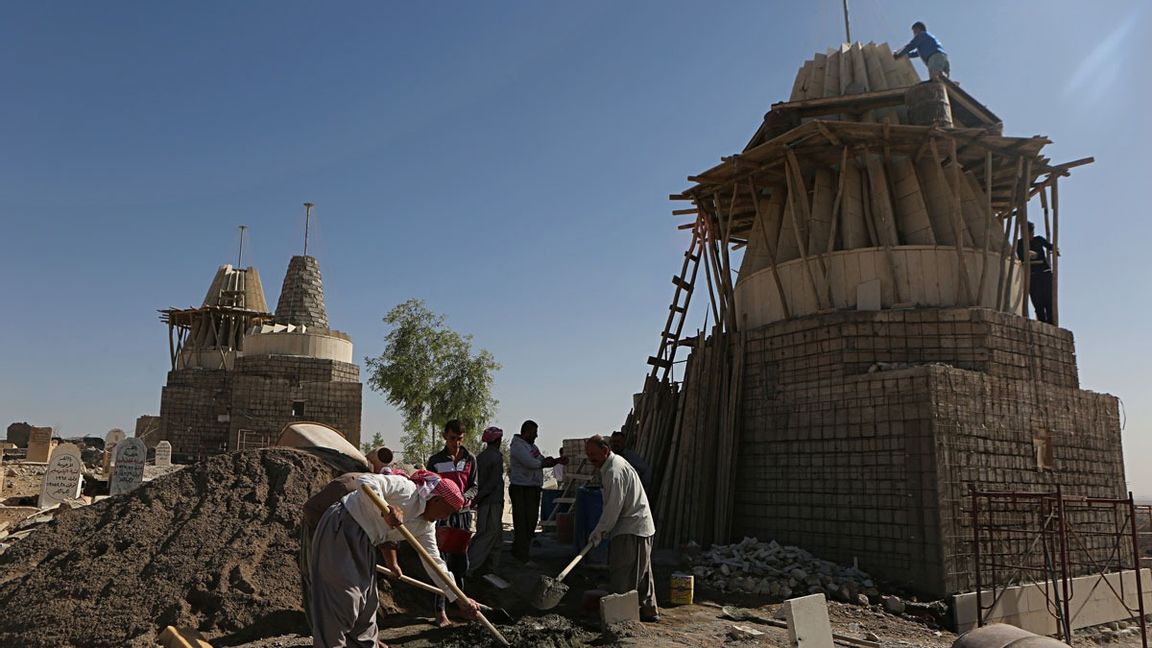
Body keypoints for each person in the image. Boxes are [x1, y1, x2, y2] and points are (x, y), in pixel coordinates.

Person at [309, 469, 480, 648]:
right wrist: (384, 510)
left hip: (366, 542)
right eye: (447, 511)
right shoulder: (407, 489)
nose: (446, 517)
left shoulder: (426, 527)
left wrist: (460, 598)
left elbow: (435, 563)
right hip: (343, 526)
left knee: (367, 605)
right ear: (436, 499)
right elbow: (365, 481)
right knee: (344, 599)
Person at [585, 434, 659, 622]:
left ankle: (621, 619)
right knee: (641, 573)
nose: (591, 458)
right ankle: (648, 611)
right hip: (638, 526)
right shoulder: (612, 465)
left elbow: (613, 508)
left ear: (605, 450)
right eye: (588, 454)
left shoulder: (613, 471)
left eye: (593, 454)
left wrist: (599, 531)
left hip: (631, 528)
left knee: (623, 574)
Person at [299, 471, 367, 633]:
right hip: (317, 531)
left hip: (345, 534)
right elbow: (310, 509)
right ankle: (324, 633)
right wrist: (330, 540)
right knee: (319, 581)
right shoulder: (346, 486)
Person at [426, 419, 477, 626]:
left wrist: (464, 498)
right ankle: (440, 611)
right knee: (441, 564)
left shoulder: (470, 458)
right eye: (452, 438)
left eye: (460, 439)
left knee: (460, 563)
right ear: (445, 436)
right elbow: (430, 486)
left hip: (463, 516)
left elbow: (475, 486)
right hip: (444, 517)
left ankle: (461, 605)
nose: (456, 443)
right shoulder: (436, 461)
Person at [508, 420, 562, 565]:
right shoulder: (518, 446)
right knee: (523, 522)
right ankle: (521, 554)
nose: (536, 435)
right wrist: (545, 463)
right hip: (521, 488)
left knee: (530, 521)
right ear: (526, 432)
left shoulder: (532, 446)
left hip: (532, 487)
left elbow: (539, 459)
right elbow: (531, 463)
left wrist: (554, 461)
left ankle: (520, 551)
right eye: (534, 432)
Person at [468, 426, 505, 577]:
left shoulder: (481, 457)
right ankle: (469, 567)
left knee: (496, 536)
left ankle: (490, 569)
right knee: (487, 535)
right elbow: (492, 483)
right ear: (498, 440)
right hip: (491, 502)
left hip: (486, 501)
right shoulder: (496, 457)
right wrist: (478, 498)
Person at [1015, 221, 1056, 323]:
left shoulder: (1038, 240)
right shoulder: (1019, 244)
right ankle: (1042, 322)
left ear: (1031, 233)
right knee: (1037, 302)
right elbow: (1019, 257)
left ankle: (1051, 323)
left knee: (1048, 301)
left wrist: (1055, 250)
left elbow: (1051, 247)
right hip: (1032, 276)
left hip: (1044, 273)